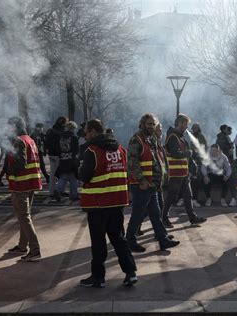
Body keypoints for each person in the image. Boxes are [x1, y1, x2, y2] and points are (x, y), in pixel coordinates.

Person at [79, 119, 137, 288]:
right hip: (117, 201)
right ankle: (131, 272)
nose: (85, 135)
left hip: (98, 203)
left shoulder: (92, 151)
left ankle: (98, 277)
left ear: (94, 132)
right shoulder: (120, 149)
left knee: (98, 241)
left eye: (86, 131)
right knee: (119, 238)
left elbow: (84, 176)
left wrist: (79, 169)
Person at [125, 113, 179, 253]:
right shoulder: (136, 140)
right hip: (142, 185)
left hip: (152, 185)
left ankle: (163, 239)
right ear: (142, 124)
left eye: (153, 124)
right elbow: (132, 163)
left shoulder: (152, 139)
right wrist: (141, 180)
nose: (151, 126)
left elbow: (158, 161)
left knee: (155, 214)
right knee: (137, 214)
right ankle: (130, 240)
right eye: (149, 124)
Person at [5, 117, 42, 262]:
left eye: (9, 126)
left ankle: (35, 250)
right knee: (24, 216)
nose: (7, 129)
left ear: (14, 127)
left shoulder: (18, 141)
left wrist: (9, 172)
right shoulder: (29, 139)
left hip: (21, 184)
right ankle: (22, 246)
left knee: (24, 217)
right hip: (31, 182)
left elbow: (20, 162)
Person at [161, 114, 207, 228]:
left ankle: (192, 217)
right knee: (172, 195)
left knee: (188, 195)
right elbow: (175, 153)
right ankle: (164, 217)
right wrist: (188, 153)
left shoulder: (180, 137)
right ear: (180, 123)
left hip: (183, 172)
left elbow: (187, 154)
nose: (187, 127)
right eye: (185, 124)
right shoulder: (172, 137)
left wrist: (193, 164)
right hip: (175, 173)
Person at [55, 121, 79, 202]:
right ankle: (74, 195)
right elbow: (76, 150)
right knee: (73, 178)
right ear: (72, 129)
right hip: (71, 160)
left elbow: (58, 149)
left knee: (63, 177)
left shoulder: (60, 137)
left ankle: (58, 190)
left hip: (62, 160)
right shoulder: (74, 137)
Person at [45, 116, 68, 197]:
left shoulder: (50, 131)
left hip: (51, 154)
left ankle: (51, 192)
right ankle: (60, 191)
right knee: (62, 173)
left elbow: (46, 143)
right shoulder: (62, 132)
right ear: (63, 123)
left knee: (52, 174)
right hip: (58, 155)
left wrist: (46, 151)